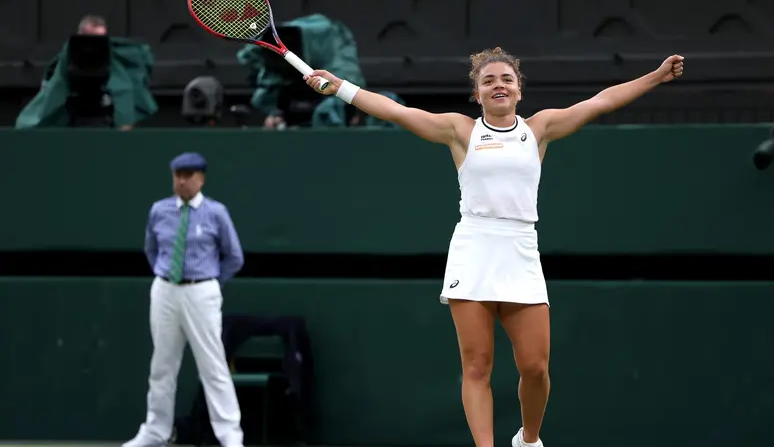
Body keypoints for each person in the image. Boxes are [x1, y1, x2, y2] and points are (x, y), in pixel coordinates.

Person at [303, 47, 684, 447]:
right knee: (477, 366)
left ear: (519, 91)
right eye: (488, 81)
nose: (498, 85)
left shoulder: (540, 129)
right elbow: (395, 112)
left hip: (521, 248)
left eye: (506, 80)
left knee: (535, 367)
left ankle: (528, 440)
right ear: (477, 94)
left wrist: (655, 76)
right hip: (474, 248)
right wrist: (341, 88)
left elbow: (601, 101)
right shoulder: (460, 131)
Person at [124, 152, 246, 447]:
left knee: (213, 365)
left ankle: (230, 435)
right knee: (162, 364)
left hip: (201, 291)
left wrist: (209, 284)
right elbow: (151, 249)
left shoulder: (216, 213)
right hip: (165, 290)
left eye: (188, 175)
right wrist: (165, 276)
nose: (182, 181)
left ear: (201, 179)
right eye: (177, 175)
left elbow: (234, 256)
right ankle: (155, 431)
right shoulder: (159, 211)